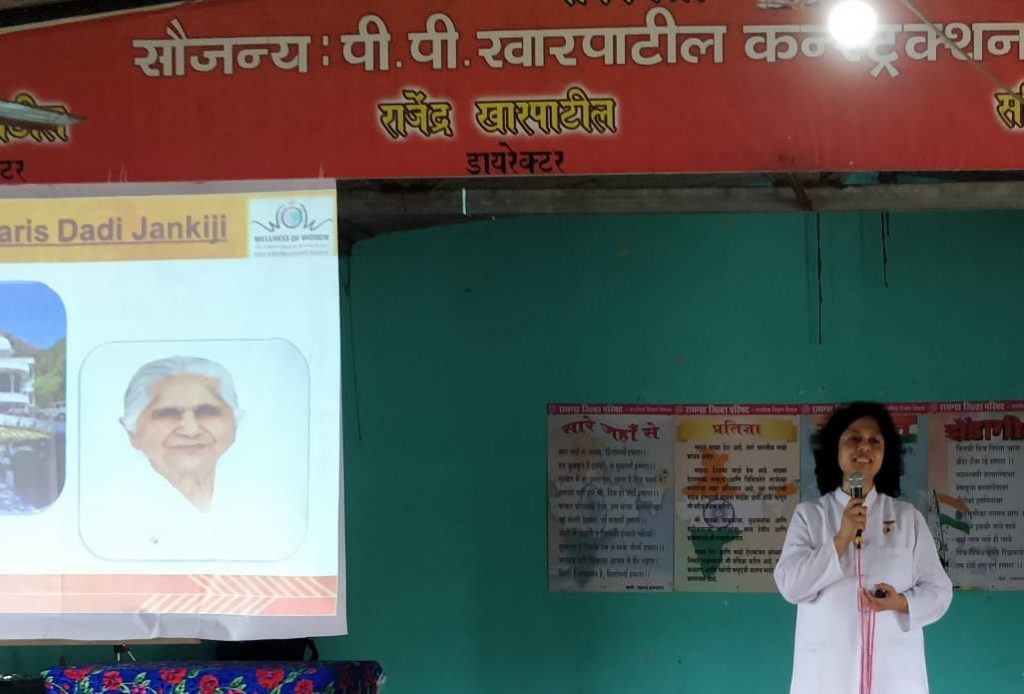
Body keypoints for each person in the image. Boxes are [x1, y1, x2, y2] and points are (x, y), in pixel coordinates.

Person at [774, 402, 952, 694]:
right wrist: (841, 538)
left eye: (874, 441)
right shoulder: (810, 516)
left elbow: (940, 592)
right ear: (835, 448)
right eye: (853, 438)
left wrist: (900, 603)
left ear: (885, 453)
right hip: (826, 675)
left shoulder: (907, 518)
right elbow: (790, 585)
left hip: (894, 675)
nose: (864, 447)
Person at [119, 356, 240, 512]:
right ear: (132, 432)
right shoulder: (118, 505)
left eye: (207, 411)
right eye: (167, 413)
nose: (191, 431)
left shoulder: (254, 494)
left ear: (234, 424)